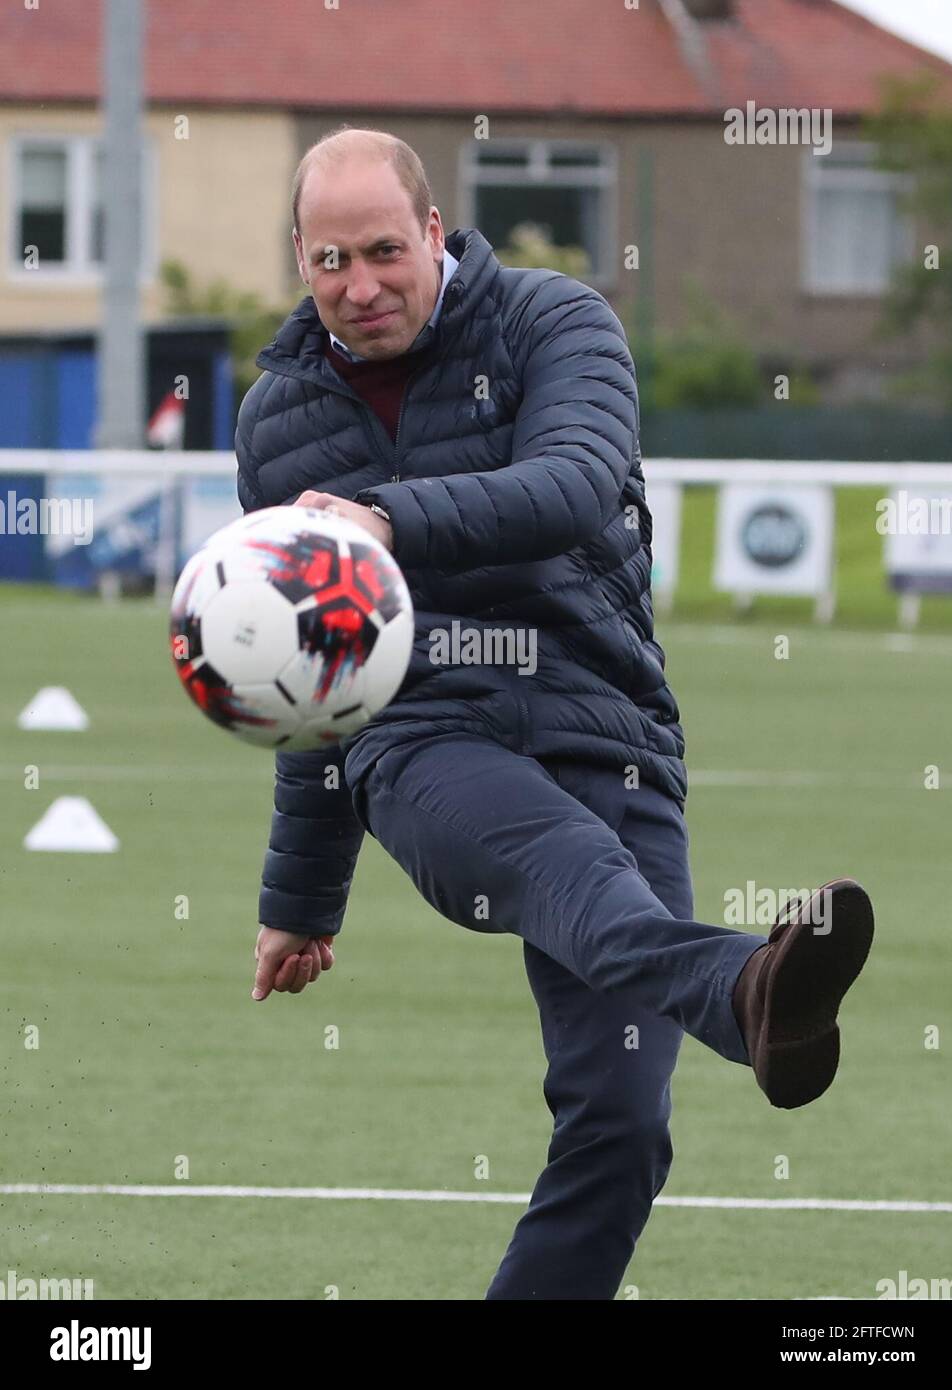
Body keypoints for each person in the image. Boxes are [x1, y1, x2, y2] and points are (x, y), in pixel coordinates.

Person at [236, 125, 874, 1300]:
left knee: (621, 1131)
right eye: (329, 261)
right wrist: (301, 898)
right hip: (421, 734)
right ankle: (743, 986)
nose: (359, 285)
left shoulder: (554, 321)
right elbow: (305, 668)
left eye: (382, 249)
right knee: (565, 862)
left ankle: (742, 998)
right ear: (298, 258)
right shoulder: (276, 422)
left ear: (433, 231)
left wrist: (383, 518)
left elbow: (574, 485)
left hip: (602, 724)